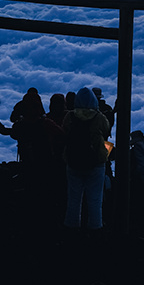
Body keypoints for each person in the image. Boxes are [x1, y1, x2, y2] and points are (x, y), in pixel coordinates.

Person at [62, 87, 111, 232]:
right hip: (96, 163)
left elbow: (64, 131)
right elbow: (107, 130)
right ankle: (95, 227)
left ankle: (72, 226)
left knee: (74, 198)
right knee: (95, 200)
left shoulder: (70, 116)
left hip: (73, 161)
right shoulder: (99, 117)